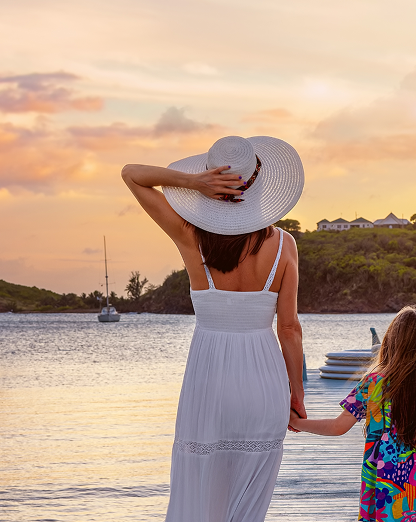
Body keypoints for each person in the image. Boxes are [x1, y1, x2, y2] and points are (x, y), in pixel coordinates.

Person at [120, 135, 307, 522]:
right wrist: (296, 395)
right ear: (261, 184)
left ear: (212, 180)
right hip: (264, 380)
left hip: (209, 379)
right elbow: (289, 329)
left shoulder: (190, 235)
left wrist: (193, 183)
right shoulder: (285, 245)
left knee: (201, 488)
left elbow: (132, 174)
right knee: (249, 502)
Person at [288, 307, 416, 522]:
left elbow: (337, 427)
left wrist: (298, 422)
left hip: (385, 478)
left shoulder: (372, 385)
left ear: (391, 341)